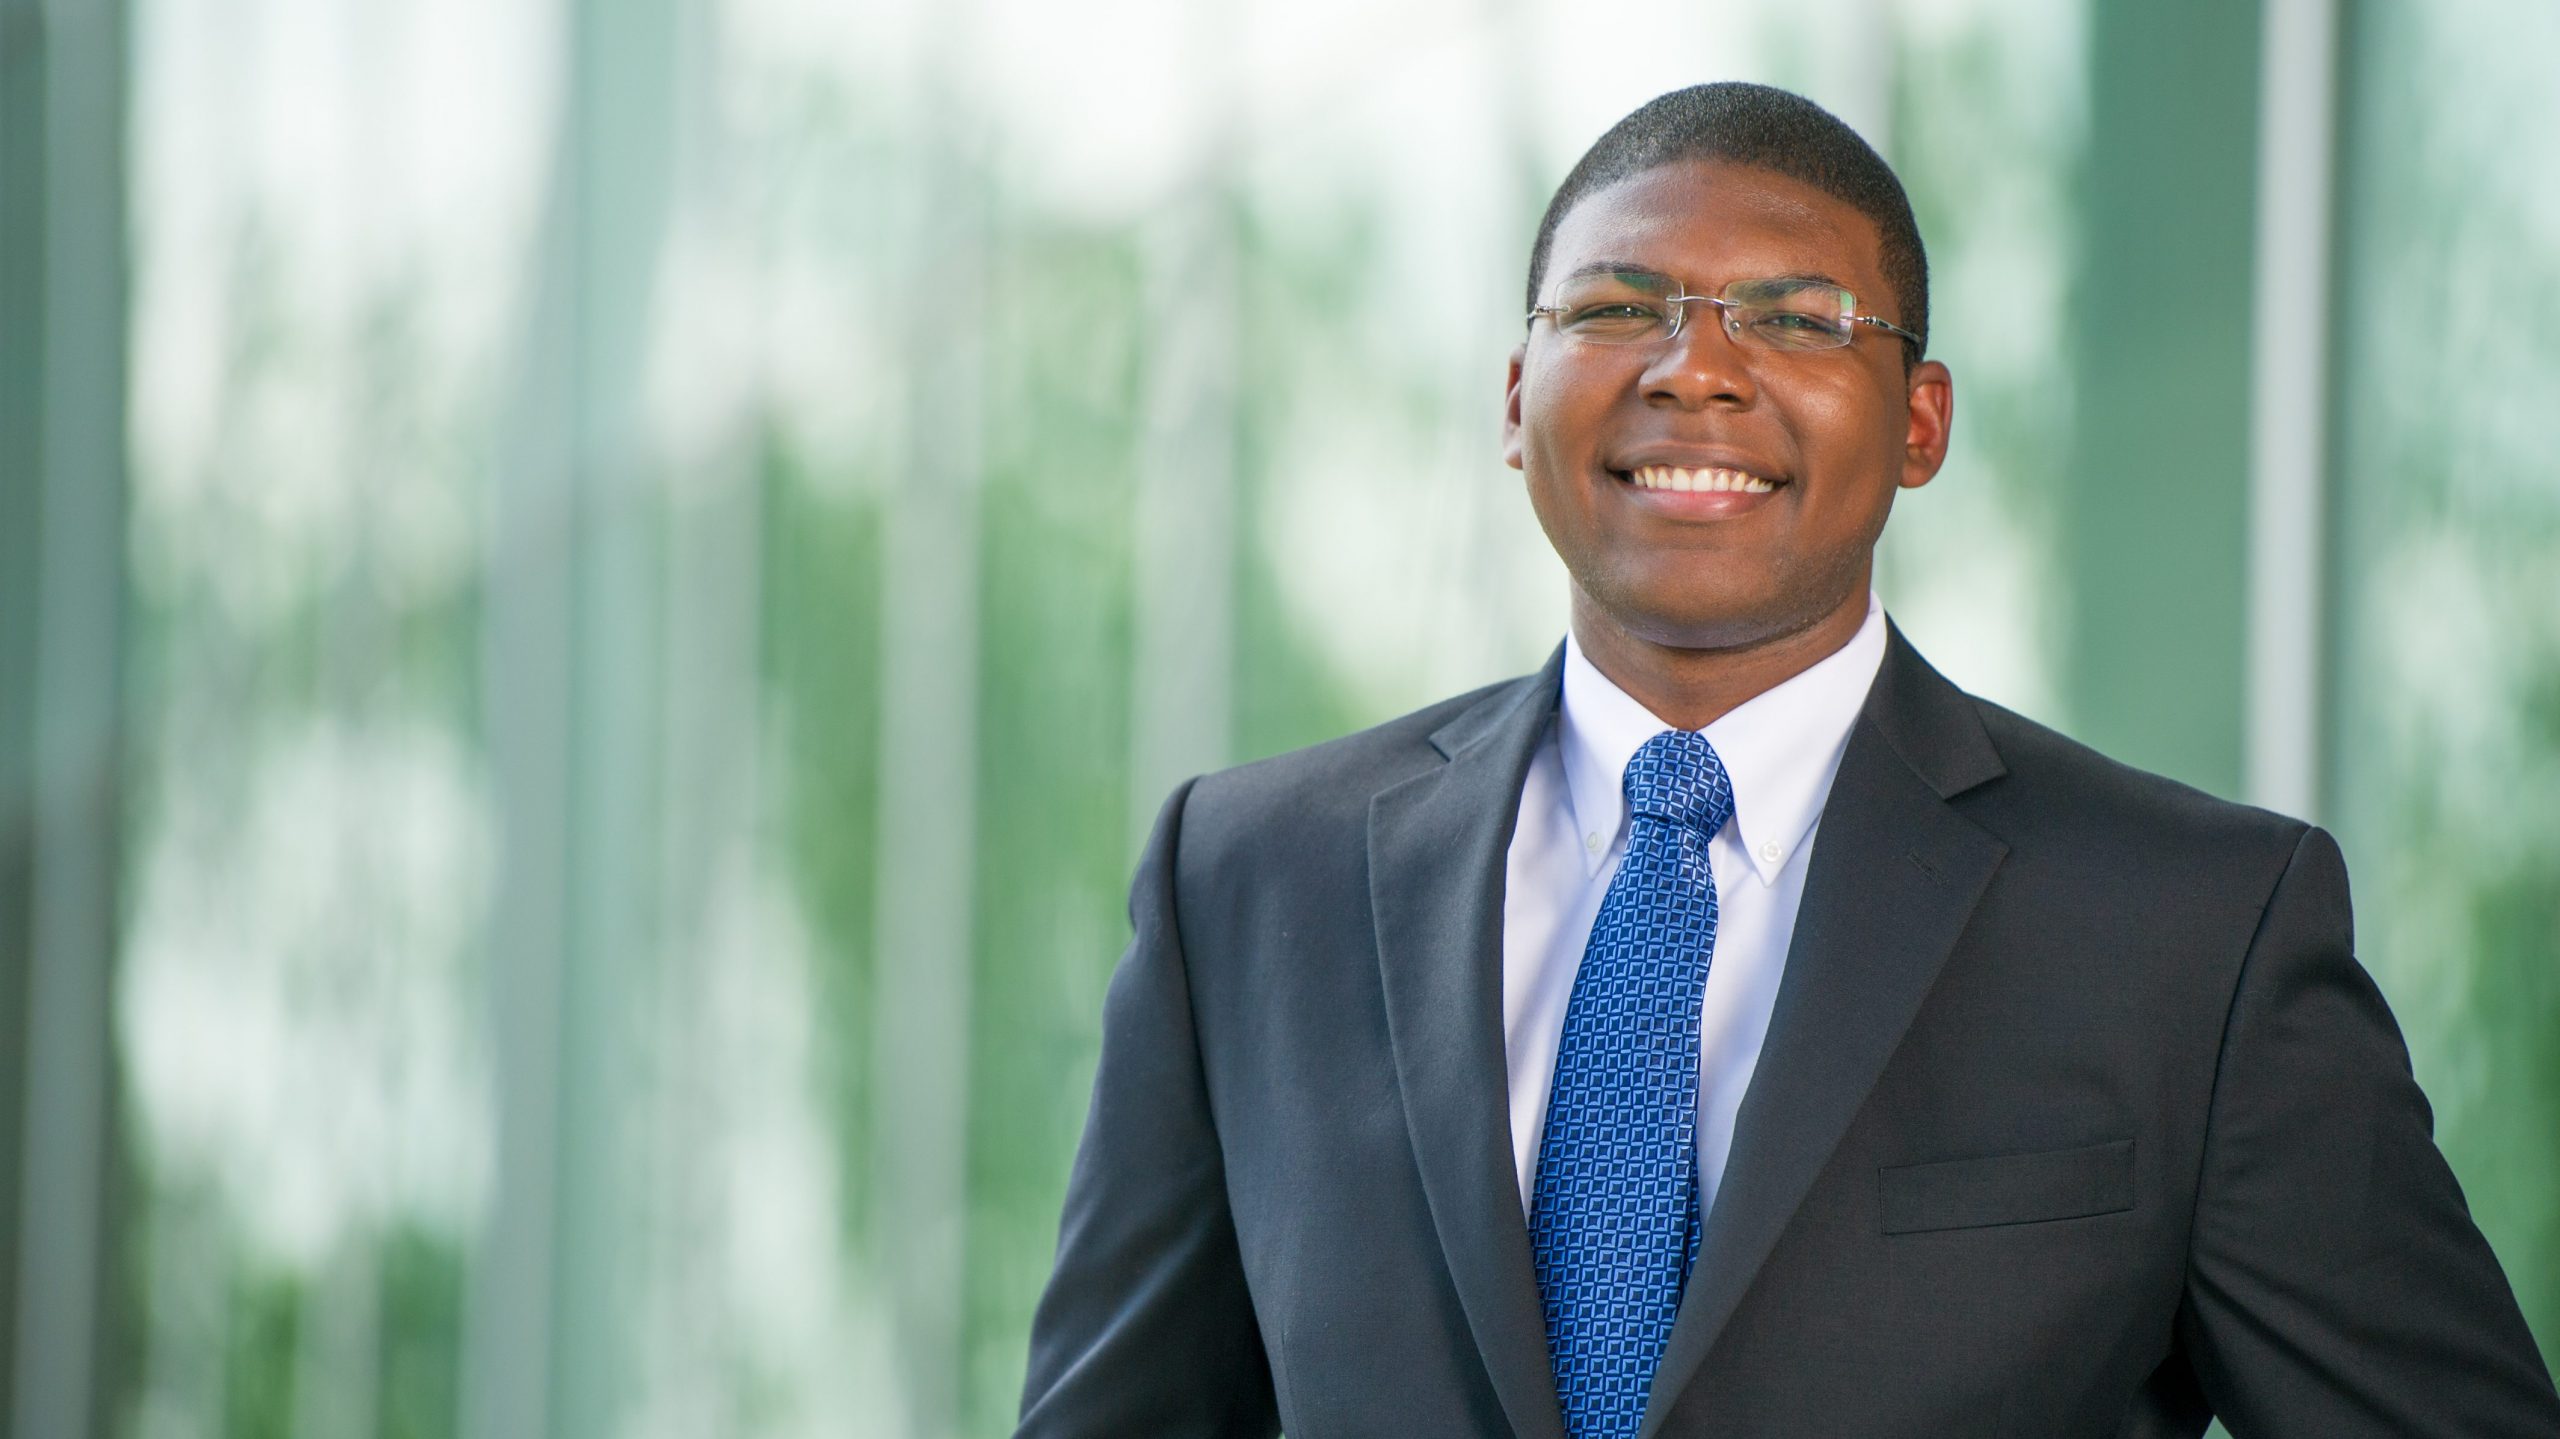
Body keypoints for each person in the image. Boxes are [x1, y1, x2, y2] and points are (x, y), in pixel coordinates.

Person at [1013, 82, 2560, 1438]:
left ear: (1920, 423)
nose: (1695, 368)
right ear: (1513, 398)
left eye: (1799, 318)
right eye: (1617, 308)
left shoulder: (2193, 934)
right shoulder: (1247, 883)